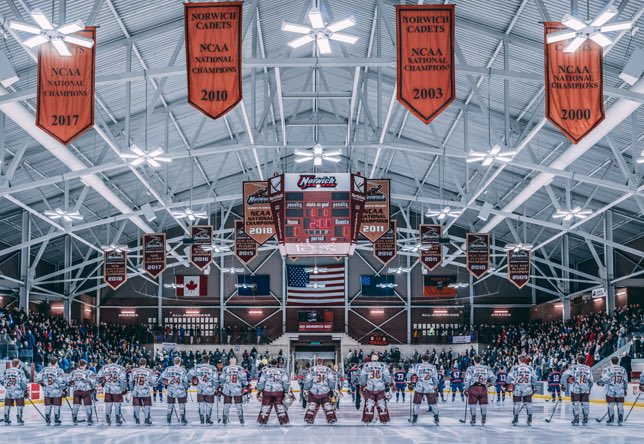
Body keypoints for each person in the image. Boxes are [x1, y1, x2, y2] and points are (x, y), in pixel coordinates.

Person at [359, 352, 392, 424]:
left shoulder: (366, 365)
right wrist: (388, 383)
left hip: (370, 387)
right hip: (380, 387)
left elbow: (363, 378)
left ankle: (367, 419)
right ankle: (384, 419)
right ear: (377, 358)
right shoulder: (383, 365)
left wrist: (363, 384)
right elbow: (387, 378)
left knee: (369, 403)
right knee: (381, 403)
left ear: (371, 358)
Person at [407, 354, 439, 426]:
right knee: (433, 404)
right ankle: (436, 417)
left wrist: (409, 383)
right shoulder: (433, 367)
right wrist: (435, 386)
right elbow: (435, 378)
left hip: (419, 387)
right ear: (429, 359)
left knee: (417, 404)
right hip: (429, 387)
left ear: (421, 359)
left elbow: (409, 374)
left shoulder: (417, 366)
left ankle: (415, 418)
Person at [256, 359, 291, 425]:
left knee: (265, 406)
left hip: (267, 391)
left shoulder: (265, 371)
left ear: (270, 363)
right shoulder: (282, 371)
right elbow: (286, 382)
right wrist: (286, 390)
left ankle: (263, 419)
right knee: (280, 406)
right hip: (279, 391)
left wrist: (260, 389)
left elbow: (261, 382)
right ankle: (283, 420)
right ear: (276, 364)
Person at [303, 357, 337, 425]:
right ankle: (331, 417)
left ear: (316, 361)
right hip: (325, 391)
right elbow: (331, 380)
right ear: (322, 361)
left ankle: (309, 418)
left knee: (312, 406)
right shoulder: (327, 369)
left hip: (314, 391)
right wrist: (332, 388)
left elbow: (308, 380)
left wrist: (306, 388)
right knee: (327, 405)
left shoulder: (312, 369)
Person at [563, 354, 594, 426]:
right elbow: (591, 381)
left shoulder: (573, 367)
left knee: (575, 404)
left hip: (575, 389)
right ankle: (585, 418)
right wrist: (589, 388)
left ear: (577, 360)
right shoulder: (588, 368)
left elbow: (565, 376)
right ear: (584, 361)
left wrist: (565, 383)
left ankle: (576, 419)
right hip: (585, 389)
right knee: (585, 404)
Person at [506, 355, 537, 426]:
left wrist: (506, 384)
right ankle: (529, 419)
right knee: (529, 404)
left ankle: (516, 419)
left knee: (516, 404)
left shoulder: (515, 368)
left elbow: (509, 378)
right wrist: (534, 387)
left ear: (519, 360)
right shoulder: (530, 368)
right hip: (527, 388)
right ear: (525, 360)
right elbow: (534, 379)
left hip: (518, 388)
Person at [464, 355, 495, 426]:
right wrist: (491, 384)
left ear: (474, 360)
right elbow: (493, 377)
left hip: (473, 388)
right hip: (483, 388)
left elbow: (467, 379)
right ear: (480, 360)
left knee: (473, 404)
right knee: (483, 404)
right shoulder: (486, 368)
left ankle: (473, 419)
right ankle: (483, 418)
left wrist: (466, 389)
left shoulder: (470, 368)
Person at [188, 354, 219, 425]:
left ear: (203, 360)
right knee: (209, 405)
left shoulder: (198, 367)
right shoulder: (213, 368)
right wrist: (216, 388)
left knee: (201, 405)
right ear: (209, 360)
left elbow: (189, 375)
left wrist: (191, 380)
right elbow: (215, 380)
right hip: (210, 390)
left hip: (200, 389)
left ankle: (202, 420)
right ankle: (208, 419)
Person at [35, 357, 67, 426]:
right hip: (57, 391)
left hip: (47, 391)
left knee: (48, 405)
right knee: (56, 405)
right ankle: (56, 418)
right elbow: (63, 382)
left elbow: (37, 379)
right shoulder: (59, 370)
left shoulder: (44, 370)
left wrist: (42, 384)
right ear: (56, 362)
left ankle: (47, 418)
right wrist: (64, 389)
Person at [97, 355, 127, 426]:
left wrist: (101, 383)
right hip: (117, 389)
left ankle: (108, 417)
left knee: (108, 404)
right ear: (117, 360)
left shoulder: (105, 367)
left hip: (108, 389)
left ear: (110, 360)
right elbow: (123, 380)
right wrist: (124, 388)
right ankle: (117, 418)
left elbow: (98, 377)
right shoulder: (121, 368)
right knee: (117, 404)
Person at [598, 356, 628, 425]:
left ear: (611, 361)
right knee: (620, 404)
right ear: (618, 361)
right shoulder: (623, 369)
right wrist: (625, 389)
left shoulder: (608, 369)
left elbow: (604, 379)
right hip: (620, 389)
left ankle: (611, 419)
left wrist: (600, 382)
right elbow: (625, 381)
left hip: (610, 390)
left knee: (610, 404)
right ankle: (620, 419)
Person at [219, 356, 249, 425]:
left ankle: (224, 419)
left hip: (227, 390)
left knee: (226, 405)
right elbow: (244, 379)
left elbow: (222, 379)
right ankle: (241, 420)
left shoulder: (225, 368)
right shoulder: (240, 368)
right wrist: (246, 385)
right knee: (238, 405)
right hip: (237, 390)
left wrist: (222, 385)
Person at [161, 356, 190, 425]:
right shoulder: (183, 370)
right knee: (182, 405)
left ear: (174, 362)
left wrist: (166, 384)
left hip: (171, 389)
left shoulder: (168, 369)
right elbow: (185, 381)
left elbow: (162, 378)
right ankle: (183, 419)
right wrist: (186, 387)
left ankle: (168, 419)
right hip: (180, 390)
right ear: (180, 362)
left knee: (170, 405)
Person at [68, 359, 97, 425]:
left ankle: (74, 417)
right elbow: (93, 381)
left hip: (76, 390)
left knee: (76, 405)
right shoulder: (88, 372)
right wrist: (94, 388)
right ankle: (89, 418)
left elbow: (68, 380)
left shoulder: (73, 372)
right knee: (87, 405)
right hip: (86, 391)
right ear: (85, 365)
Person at [130, 358, 157, 425]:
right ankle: (147, 419)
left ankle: (137, 418)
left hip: (136, 390)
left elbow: (130, 381)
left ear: (139, 363)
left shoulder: (134, 371)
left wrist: (131, 389)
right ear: (146, 363)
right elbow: (153, 381)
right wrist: (153, 385)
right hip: (146, 391)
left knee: (136, 405)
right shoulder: (149, 371)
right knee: (147, 405)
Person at [0, 358, 28, 426]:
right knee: (20, 405)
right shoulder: (20, 371)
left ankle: (6, 418)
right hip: (18, 391)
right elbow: (23, 382)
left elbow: (1, 380)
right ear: (18, 364)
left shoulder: (6, 371)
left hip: (9, 391)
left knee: (7, 405)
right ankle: (19, 419)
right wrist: (25, 391)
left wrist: (5, 385)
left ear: (12, 363)